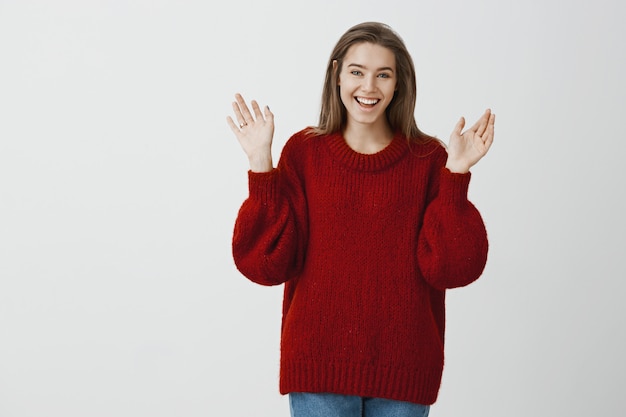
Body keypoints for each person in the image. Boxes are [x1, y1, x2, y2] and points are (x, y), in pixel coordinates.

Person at [226, 21, 495, 417]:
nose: (368, 88)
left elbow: (452, 269)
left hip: (404, 370)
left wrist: (455, 175)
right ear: (337, 75)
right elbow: (265, 264)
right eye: (357, 72)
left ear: (398, 83)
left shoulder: (429, 159)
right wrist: (261, 166)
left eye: (383, 75)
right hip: (317, 368)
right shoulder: (304, 153)